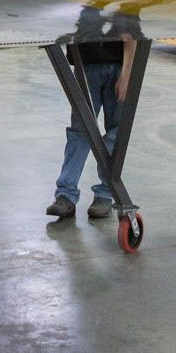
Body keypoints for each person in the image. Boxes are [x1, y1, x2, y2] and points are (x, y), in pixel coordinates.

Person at [46, 38, 136, 221]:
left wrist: (127, 74)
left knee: (115, 133)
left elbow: (131, 31)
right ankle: (66, 195)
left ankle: (105, 194)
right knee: (79, 131)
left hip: (118, 64)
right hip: (85, 62)